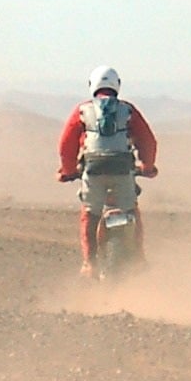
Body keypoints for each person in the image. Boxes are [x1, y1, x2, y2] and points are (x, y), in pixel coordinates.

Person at [56, 66, 159, 273]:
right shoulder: (128, 110)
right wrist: (147, 166)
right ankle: (139, 258)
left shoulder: (82, 111)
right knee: (131, 210)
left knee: (89, 213)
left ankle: (89, 264)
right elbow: (148, 140)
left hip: (93, 172)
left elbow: (66, 144)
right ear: (117, 85)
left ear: (92, 85)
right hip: (123, 172)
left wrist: (67, 171)